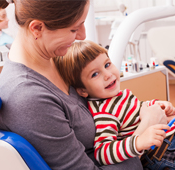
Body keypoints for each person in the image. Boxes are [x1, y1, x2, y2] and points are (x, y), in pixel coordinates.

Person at [0, 0, 169, 169]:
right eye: (74, 29)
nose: (82, 35)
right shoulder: (28, 97)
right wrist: (145, 128)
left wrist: (146, 111)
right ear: (37, 28)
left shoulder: (57, 60)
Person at [55, 40, 175, 169]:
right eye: (95, 74)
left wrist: (157, 105)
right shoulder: (105, 112)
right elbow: (103, 153)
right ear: (83, 90)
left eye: (107, 65)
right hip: (160, 154)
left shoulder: (117, 96)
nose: (108, 74)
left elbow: (136, 111)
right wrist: (138, 142)